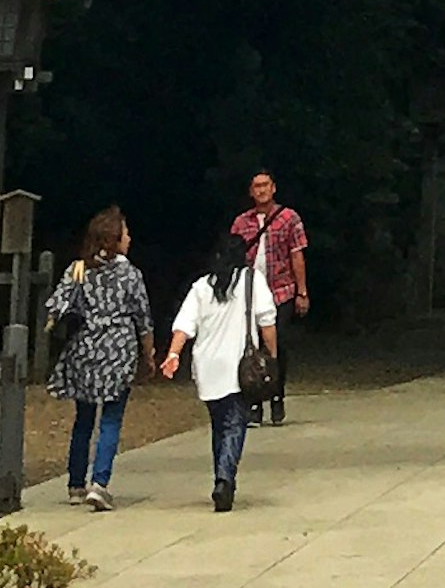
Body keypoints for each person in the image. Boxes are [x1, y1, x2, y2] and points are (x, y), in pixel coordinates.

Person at [158, 227, 279, 511]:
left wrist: (173, 354)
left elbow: (184, 325)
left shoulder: (202, 287)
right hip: (238, 367)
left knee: (219, 424)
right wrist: (271, 355)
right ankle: (225, 479)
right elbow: (267, 321)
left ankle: (221, 477)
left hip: (207, 366)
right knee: (235, 424)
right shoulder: (251, 280)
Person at [44, 207, 150, 510]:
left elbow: (56, 305)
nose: (129, 238)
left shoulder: (77, 269)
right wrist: (148, 353)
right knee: (111, 420)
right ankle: (100, 484)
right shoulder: (129, 273)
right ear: (114, 238)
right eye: (125, 233)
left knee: (83, 419)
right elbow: (143, 317)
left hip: (85, 349)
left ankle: (76, 484)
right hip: (118, 349)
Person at [231, 170, 311, 424]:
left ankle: (277, 394)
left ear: (273, 188)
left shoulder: (289, 218)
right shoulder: (241, 223)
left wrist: (302, 292)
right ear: (250, 191)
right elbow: (233, 256)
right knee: (251, 346)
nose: (261, 190)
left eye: (265, 185)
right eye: (256, 186)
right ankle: (254, 401)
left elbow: (297, 255)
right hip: (249, 293)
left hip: (281, 290)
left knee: (278, 344)